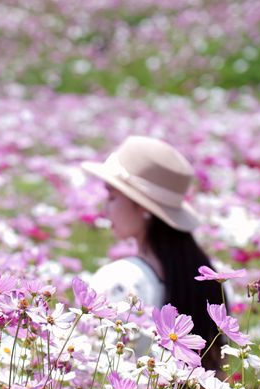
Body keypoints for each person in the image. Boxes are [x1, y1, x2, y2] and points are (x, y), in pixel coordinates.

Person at [81, 135, 228, 373]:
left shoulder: (121, 280)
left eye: (112, 197)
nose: (105, 208)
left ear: (144, 208)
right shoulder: (210, 279)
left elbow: (94, 370)